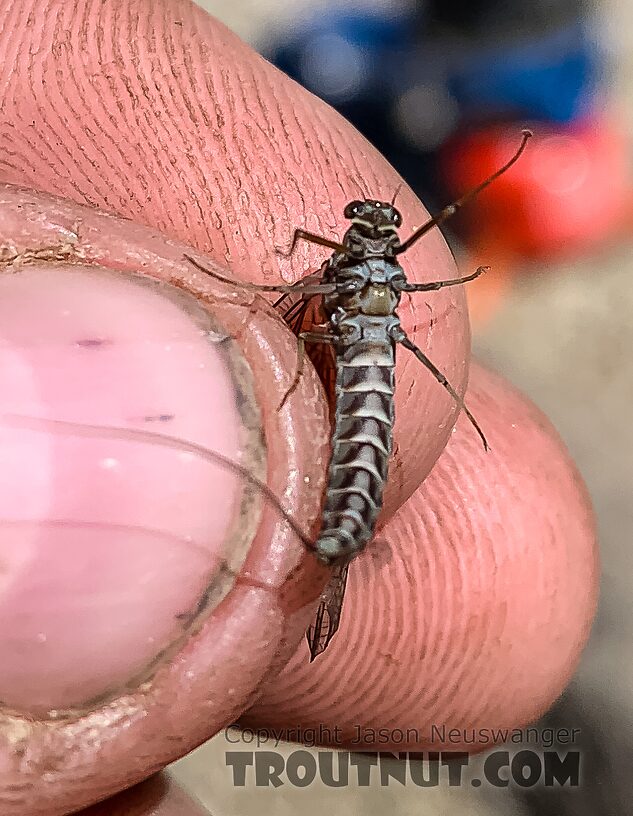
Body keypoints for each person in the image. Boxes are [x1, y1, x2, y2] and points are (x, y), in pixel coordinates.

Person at [0, 1, 597, 814]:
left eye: (372, 224)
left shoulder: (368, 269)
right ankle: (336, 552)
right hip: (371, 371)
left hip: (369, 373)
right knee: (364, 448)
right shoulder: (371, 267)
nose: (369, 224)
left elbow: (374, 265)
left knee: (358, 440)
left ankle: (336, 549)